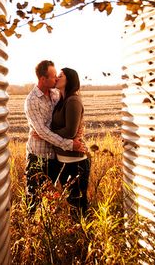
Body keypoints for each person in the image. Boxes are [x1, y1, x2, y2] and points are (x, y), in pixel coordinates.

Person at [24, 60, 78, 212]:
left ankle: (50, 231)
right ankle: (32, 232)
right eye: (54, 76)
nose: (56, 79)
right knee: (34, 199)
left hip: (55, 156)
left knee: (53, 199)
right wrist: (69, 144)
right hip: (38, 156)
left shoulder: (55, 94)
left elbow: (60, 122)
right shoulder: (31, 100)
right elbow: (41, 131)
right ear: (43, 79)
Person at [51, 67, 90, 216]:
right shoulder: (62, 100)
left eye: (60, 76)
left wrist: (48, 133)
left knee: (78, 205)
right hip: (64, 161)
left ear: (69, 80)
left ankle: (84, 237)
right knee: (71, 203)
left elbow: (70, 132)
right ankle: (77, 235)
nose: (56, 78)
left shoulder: (73, 100)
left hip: (76, 162)